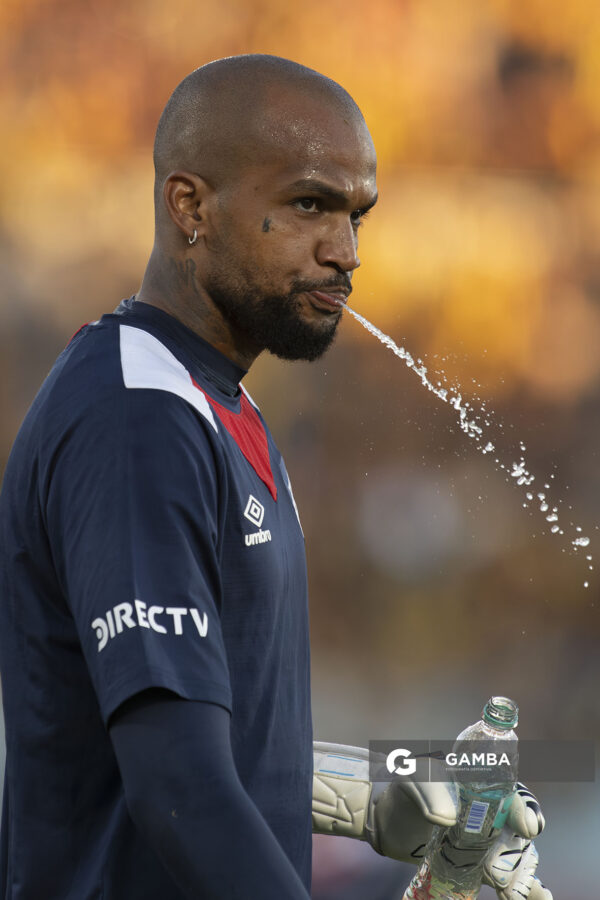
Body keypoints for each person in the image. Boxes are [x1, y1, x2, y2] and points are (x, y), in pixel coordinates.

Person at [0, 55, 551, 899]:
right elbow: (179, 786)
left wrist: (380, 787)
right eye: (308, 205)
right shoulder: (139, 421)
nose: (346, 252)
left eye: (356, 215)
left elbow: (221, 736)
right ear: (191, 206)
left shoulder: (220, 409)